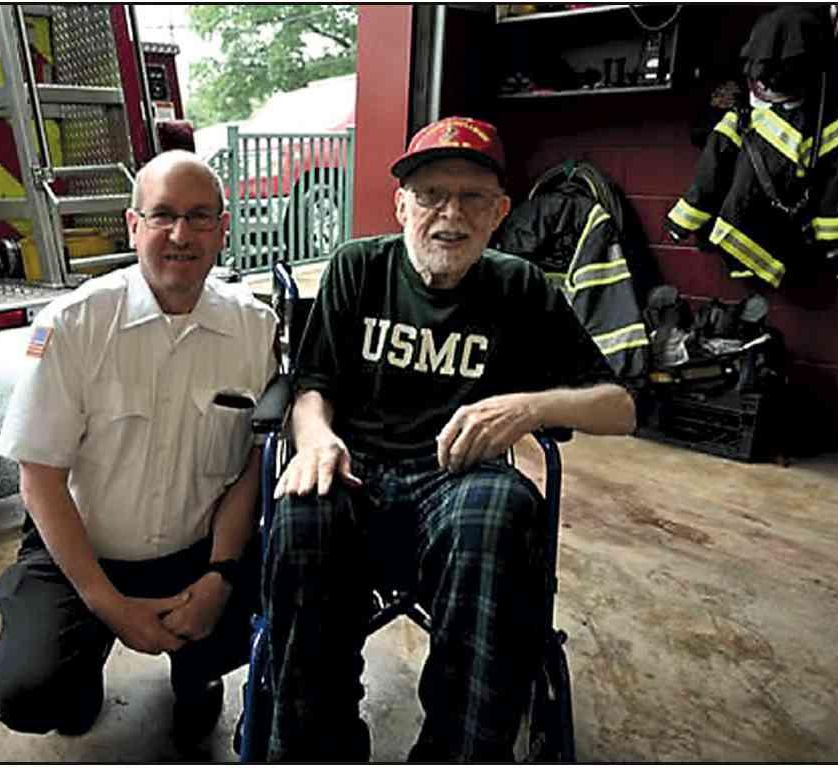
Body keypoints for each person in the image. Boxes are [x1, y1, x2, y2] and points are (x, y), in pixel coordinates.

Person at [262, 117, 637, 761]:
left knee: (501, 509)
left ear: (499, 213)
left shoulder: (520, 286)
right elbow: (312, 384)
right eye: (432, 194)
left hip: (460, 478)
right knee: (301, 511)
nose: (450, 215)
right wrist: (317, 436)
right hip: (357, 468)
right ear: (401, 205)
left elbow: (621, 408)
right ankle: (314, 746)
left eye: (471, 198)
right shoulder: (358, 267)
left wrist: (530, 406)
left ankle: (457, 750)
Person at [0, 150, 277, 749]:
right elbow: (40, 480)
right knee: (30, 692)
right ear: (133, 225)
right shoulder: (72, 324)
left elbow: (249, 465)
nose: (181, 235)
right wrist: (107, 604)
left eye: (199, 217)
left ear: (223, 228)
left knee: (285, 600)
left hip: (197, 549)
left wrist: (220, 576)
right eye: (162, 215)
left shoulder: (255, 328)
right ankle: (78, 673)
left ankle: (198, 676)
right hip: (83, 547)